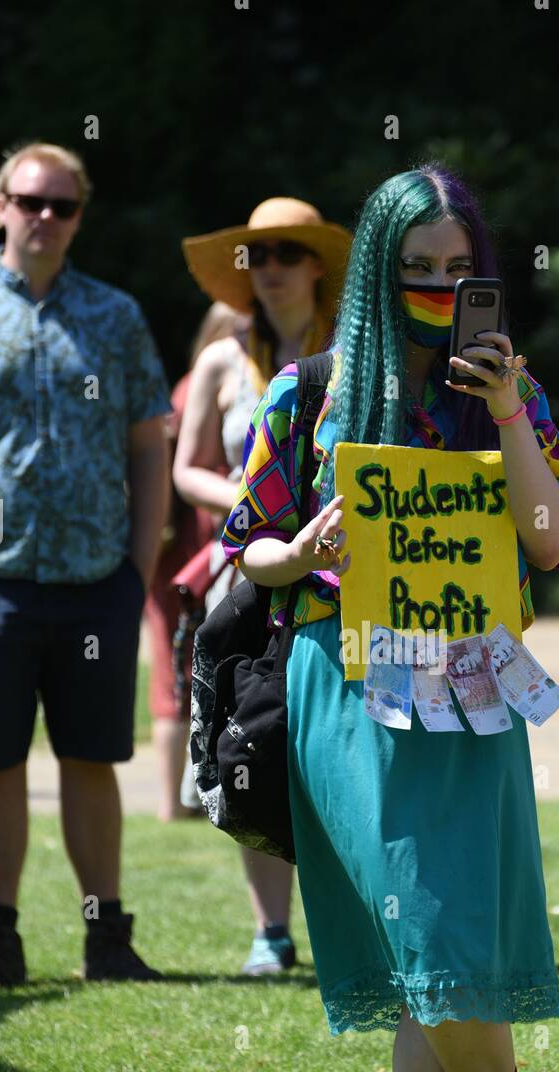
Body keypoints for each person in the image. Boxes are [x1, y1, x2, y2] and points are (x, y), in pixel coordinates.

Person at [220, 164, 559, 1072]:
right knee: (408, 951)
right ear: (379, 273)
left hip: (472, 690)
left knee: (438, 949)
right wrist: (305, 550)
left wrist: (506, 413)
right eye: (417, 269)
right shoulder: (311, 393)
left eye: (458, 269)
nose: (440, 287)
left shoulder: (508, 393)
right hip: (341, 681)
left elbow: (550, 539)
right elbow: (249, 542)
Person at [0, 142, 171, 987]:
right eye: (30, 201)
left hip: (94, 582)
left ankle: (106, 940)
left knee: (92, 760)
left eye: (63, 205)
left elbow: (147, 445)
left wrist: (138, 571)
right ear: (0, 205)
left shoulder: (113, 316)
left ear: (80, 215)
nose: (45, 217)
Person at [174, 198, 351, 975]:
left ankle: (354, 922)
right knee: (252, 740)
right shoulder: (220, 356)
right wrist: (258, 509)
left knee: (336, 748)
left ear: (316, 264)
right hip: (246, 574)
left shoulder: (350, 354)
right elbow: (185, 470)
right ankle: (270, 932)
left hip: (337, 576)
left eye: (284, 251)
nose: (268, 267)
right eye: (255, 254)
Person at [145, 302, 249, 821]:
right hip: (189, 553)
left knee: (186, 671)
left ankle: (184, 800)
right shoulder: (203, 381)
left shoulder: (190, 385)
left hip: (191, 548)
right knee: (176, 672)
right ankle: (174, 804)